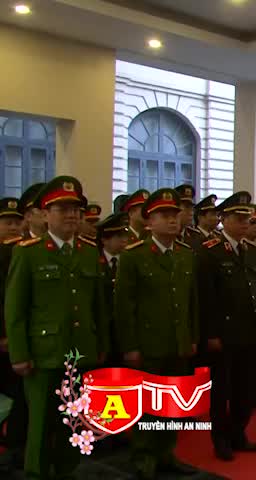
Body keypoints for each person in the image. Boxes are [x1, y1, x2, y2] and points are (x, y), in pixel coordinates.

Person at [5, 176, 109, 480]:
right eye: (62, 209)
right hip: (42, 353)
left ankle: (67, 470)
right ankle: (36, 473)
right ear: (46, 213)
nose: (71, 215)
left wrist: (99, 344)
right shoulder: (28, 252)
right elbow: (15, 309)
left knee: (73, 420)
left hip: (80, 349)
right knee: (39, 422)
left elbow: (97, 307)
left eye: (76, 209)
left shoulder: (89, 251)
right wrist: (19, 353)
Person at [114, 188, 198, 479]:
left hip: (177, 341)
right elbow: (125, 307)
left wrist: (191, 337)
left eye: (175, 214)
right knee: (147, 406)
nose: (173, 220)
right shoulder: (134, 257)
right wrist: (130, 346)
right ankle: (143, 456)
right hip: (148, 343)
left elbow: (192, 302)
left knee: (172, 403)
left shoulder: (186, 255)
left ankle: (166, 452)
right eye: (165, 215)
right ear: (149, 222)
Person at [196, 191, 256, 461]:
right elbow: (206, 296)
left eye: (247, 218)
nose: (245, 223)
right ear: (224, 219)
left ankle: (239, 433)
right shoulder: (210, 252)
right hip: (224, 334)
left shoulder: (250, 251)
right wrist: (211, 333)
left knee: (245, 388)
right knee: (222, 391)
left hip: (249, 331)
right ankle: (221, 439)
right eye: (239, 218)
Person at [0, 197, 26, 470]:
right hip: (3, 337)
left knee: (19, 396)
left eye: (17, 222)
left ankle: (17, 446)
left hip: (17, 339)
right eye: (7, 222)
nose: (13, 227)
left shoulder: (23, 252)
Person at [96, 212, 129, 367]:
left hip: (123, 331)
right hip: (103, 331)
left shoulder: (129, 262)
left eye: (125, 235)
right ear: (104, 240)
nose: (124, 240)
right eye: (118, 236)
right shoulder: (95, 261)